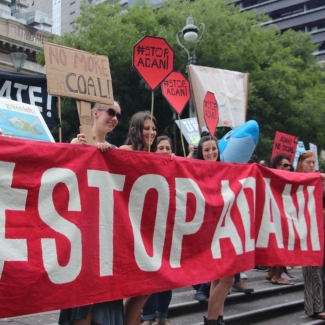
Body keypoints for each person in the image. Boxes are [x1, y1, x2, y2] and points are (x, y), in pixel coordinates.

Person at [59, 101, 124, 325]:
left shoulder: (117, 154)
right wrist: (77, 149)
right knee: (81, 311)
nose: (115, 118)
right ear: (95, 113)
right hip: (81, 244)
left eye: (118, 115)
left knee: (102, 313)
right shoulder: (77, 144)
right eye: (111, 112)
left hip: (106, 244)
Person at [120, 111, 158, 325]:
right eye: (146, 128)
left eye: (153, 128)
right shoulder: (124, 151)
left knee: (148, 285)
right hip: (127, 225)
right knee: (138, 284)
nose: (151, 132)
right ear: (135, 130)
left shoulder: (156, 155)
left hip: (148, 227)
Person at [196, 131, 234, 325]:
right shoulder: (195, 170)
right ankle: (211, 320)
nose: (211, 152)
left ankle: (218, 318)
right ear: (200, 152)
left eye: (213, 149)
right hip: (209, 231)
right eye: (206, 149)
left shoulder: (225, 169)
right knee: (228, 279)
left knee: (219, 279)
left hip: (224, 229)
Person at [141, 136, 174, 325]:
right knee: (150, 277)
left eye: (167, 147)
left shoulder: (176, 167)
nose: (164, 151)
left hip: (168, 230)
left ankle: (162, 315)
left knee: (166, 278)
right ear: (153, 151)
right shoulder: (146, 166)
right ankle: (147, 316)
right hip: (147, 231)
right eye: (160, 148)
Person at [296, 151, 325, 319]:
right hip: (307, 229)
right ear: (301, 163)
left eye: (314, 162)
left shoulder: (318, 179)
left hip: (320, 226)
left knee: (321, 269)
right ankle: (315, 306)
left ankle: (320, 304)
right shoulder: (296, 179)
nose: (312, 165)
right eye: (309, 162)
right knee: (312, 270)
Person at [265, 154, 295, 285]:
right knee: (282, 243)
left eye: (289, 166)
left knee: (281, 243)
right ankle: (277, 276)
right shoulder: (272, 178)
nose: (288, 168)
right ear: (277, 165)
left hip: (281, 215)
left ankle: (273, 272)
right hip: (276, 216)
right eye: (285, 165)